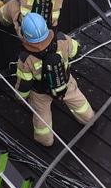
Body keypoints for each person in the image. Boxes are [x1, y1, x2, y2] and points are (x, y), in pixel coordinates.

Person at [14, 13, 93, 147]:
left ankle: (45, 140)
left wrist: (19, 97)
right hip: (65, 83)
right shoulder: (61, 39)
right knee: (79, 103)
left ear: (25, 35)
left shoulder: (25, 58)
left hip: (41, 93)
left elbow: (24, 84)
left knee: (42, 117)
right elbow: (76, 50)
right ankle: (89, 119)